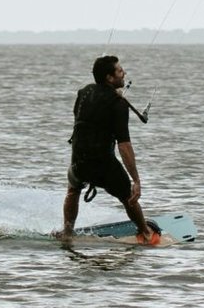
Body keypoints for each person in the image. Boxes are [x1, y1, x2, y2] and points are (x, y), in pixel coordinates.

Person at [60, 55, 160, 243]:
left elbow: (83, 120)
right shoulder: (118, 104)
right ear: (110, 78)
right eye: (120, 71)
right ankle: (146, 233)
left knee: (73, 190)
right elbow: (124, 146)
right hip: (103, 165)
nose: (124, 74)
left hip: (78, 160)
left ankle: (67, 232)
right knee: (129, 197)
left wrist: (112, 99)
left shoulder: (84, 92)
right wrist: (136, 180)